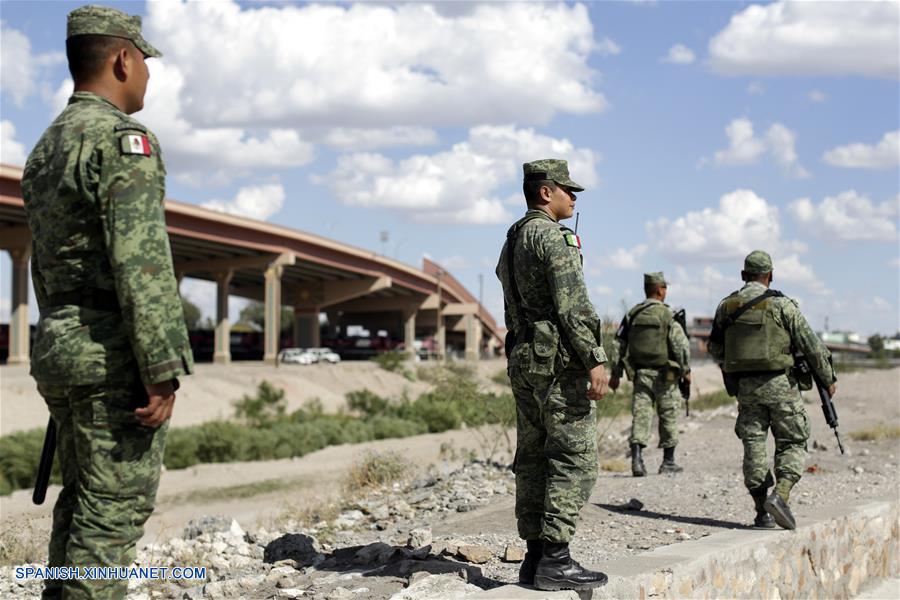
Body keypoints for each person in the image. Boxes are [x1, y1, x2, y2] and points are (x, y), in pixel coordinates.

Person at [21, 5, 193, 598]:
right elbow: (141, 263)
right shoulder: (123, 141)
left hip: (60, 343)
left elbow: (44, 266)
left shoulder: (46, 147)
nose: (147, 73)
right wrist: (162, 368)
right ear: (122, 58)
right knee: (111, 516)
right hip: (109, 352)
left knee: (80, 507)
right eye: (144, 60)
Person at [496, 159, 610, 592]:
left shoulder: (513, 238)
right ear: (546, 192)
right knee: (574, 457)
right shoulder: (552, 237)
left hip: (523, 356)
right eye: (567, 189)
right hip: (558, 363)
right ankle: (556, 558)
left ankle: (534, 559)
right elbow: (572, 306)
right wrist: (594, 358)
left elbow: (511, 302)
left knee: (533, 457)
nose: (573, 197)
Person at [707, 250, 836, 530]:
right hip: (782, 387)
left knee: (753, 444)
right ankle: (781, 494)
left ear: (743, 275)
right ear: (771, 275)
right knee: (792, 441)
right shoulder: (783, 305)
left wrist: (734, 368)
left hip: (746, 389)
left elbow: (714, 348)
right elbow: (812, 346)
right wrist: (828, 379)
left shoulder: (726, 307)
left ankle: (760, 511)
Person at [609, 272, 691, 477]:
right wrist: (686, 370)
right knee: (668, 415)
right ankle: (668, 461)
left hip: (641, 374)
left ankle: (637, 460)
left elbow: (617, 344)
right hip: (667, 376)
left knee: (641, 415)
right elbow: (680, 345)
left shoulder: (633, 314)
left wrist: (615, 374)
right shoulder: (668, 314)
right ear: (659, 289)